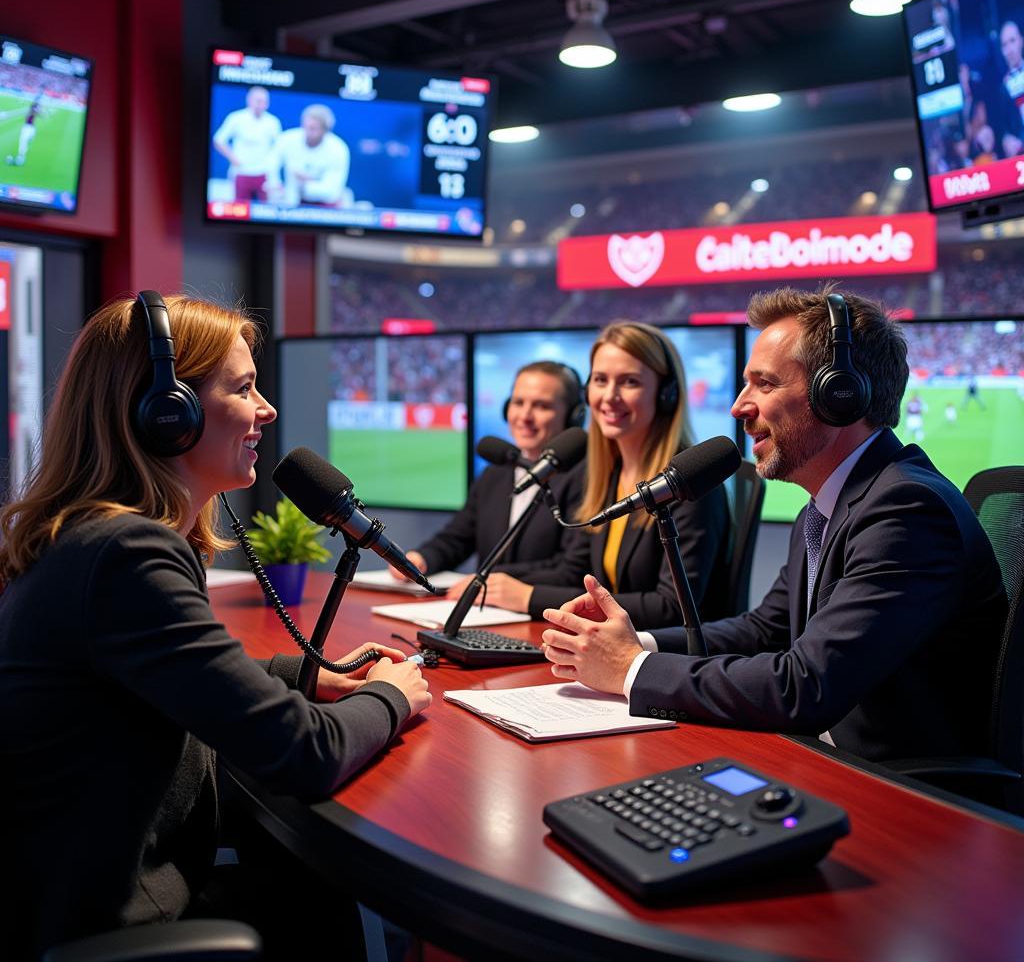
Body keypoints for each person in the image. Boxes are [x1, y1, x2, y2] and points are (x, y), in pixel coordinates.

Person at [0, 293, 431, 959]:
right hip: (112, 924)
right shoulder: (125, 556)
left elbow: (175, 678)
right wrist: (393, 696)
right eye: (244, 387)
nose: (267, 410)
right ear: (167, 414)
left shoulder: (91, 541)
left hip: (80, 896)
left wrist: (311, 675)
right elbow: (303, 753)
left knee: (305, 882)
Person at [540, 288, 1005, 763]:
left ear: (839, 394)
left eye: (764, 384)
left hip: (899, 793)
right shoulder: (824, 507)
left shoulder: (907, 510)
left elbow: (805, 686)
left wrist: (632, 670)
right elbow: (765, 630)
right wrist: (633, 643)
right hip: (825, 762)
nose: (739, 407)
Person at [465, 321, 730, 630]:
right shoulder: (607, 474)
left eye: (629, 382)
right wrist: (501, 585)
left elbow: (672, 607)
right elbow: (577, 570)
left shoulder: (687, 482)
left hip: (669, 663)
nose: (609, 396)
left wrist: (530, 597)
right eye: (601, 380)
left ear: (666, 394)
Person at [391, 360, 586, 581]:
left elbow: (572, 567)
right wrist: (421, 559)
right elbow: (458, 537)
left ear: (574, 415)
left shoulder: (585, 477)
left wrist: (489, 580)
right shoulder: (495, 474)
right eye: (518, 402)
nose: (525, 416)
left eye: (541, 406)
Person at [266, 103, 351, 207]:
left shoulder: (338, 149)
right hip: (293, 203)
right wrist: (274, 182)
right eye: (305, 126)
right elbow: (272, 162)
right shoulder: (287, 139)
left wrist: (306, 183)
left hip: (327, 207)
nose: (306, 132)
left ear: (325, 130)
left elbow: (331, 191)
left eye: (313, 128)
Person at [211, 85, 282, 201]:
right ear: (249, 100)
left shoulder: (273, 122)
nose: (261, 104)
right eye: (258, 101)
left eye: (264, 101)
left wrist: (275, 178)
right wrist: (233, 158)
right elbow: (218, 140)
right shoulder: (236, 118)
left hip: (264, 173)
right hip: (241, 172)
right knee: (240, 209)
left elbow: (278, 149)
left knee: (264, 211)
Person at [996, 20, 1024, 158]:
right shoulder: (1003, 88)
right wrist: (1006, 139)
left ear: (1021, 41)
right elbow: (1003, 128)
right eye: (1004, 45)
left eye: (1012, 41)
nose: (1009, 50)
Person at [4, 91, 43, 167]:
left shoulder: (34, 109)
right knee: (24, 142)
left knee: (23, 141)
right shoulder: (33, 108)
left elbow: (37, 113)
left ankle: (21, 158)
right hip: (30, 128)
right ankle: (21, 157)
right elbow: (36, 112)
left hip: (28, 128)